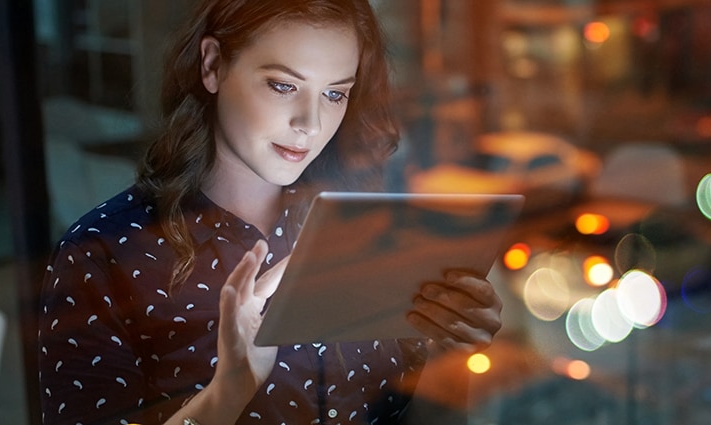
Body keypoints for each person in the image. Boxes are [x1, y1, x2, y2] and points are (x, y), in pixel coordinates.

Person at [35, 0, 503, 423]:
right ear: (213, 65)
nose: (310, 123)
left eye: (334, 93)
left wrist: (449, 353)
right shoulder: (101, 254)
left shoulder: (364, 233)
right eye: (282, 85)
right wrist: (228, 393)